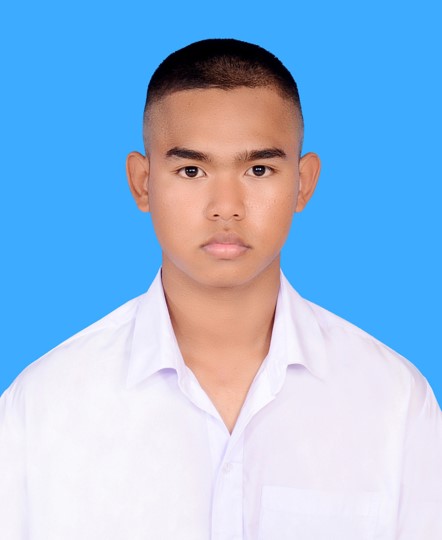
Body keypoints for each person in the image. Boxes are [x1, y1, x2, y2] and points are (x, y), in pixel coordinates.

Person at [1, 38, 441, 540]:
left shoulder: (394, 403)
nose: (226, 206)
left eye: (258, 170)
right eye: (191, 170)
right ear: (143, 182)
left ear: (303, 182)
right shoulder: (42, 407)